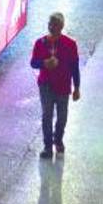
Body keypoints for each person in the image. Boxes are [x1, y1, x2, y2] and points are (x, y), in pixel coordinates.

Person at [32, 12, 82, 153]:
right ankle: (47, 146)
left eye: (54, 24)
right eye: (49, 24)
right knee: (46, 115)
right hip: (46, 85)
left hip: (63, 86)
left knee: (62, 117)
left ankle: (58, 138)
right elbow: (33, 63)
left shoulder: (70, 44)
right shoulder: (40, 43)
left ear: (61, 26)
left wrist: (77, 87)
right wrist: (44, 63)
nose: (51, 27)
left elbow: (74, 67)